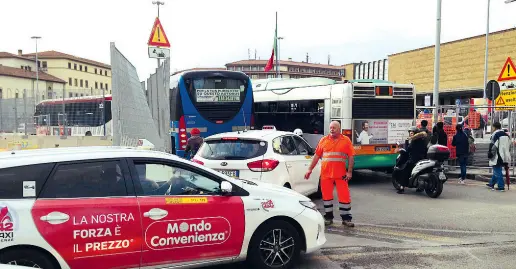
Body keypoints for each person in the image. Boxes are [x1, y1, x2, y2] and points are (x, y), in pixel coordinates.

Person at [304, 121, 356, 227]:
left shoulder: (346, 140)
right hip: (326, 174)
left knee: (344, 196)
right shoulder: (323, 140)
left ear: (339, 129)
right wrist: (310, 169)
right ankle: (328, 217)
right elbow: (316, 156)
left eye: (334, 128)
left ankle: (346, 219)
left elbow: (351, 157)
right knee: (326, 196)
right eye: (331, 127)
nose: (332, 129)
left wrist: (349, 171)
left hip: (341, 174)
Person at [397, 126, 428, 194]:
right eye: (410, 133)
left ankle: (402, 187)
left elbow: (407, 150)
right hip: (423, 160)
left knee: (405, 171)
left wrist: (405, 145)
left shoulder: (413, 141)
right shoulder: (423, 140)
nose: (410, 134)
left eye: (412, 133)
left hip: (414, 160)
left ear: (415, 133)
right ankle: (419, 187)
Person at [487, 122, 511, 192]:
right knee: (497, 170)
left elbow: (493, 146)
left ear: (494, 127)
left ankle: (501, 186)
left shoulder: (495, 134)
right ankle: (491, 183)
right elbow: (509, 146)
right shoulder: (506, 135)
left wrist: (490, 155)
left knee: (497, 170)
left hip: (497, 155)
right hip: (505, 155)